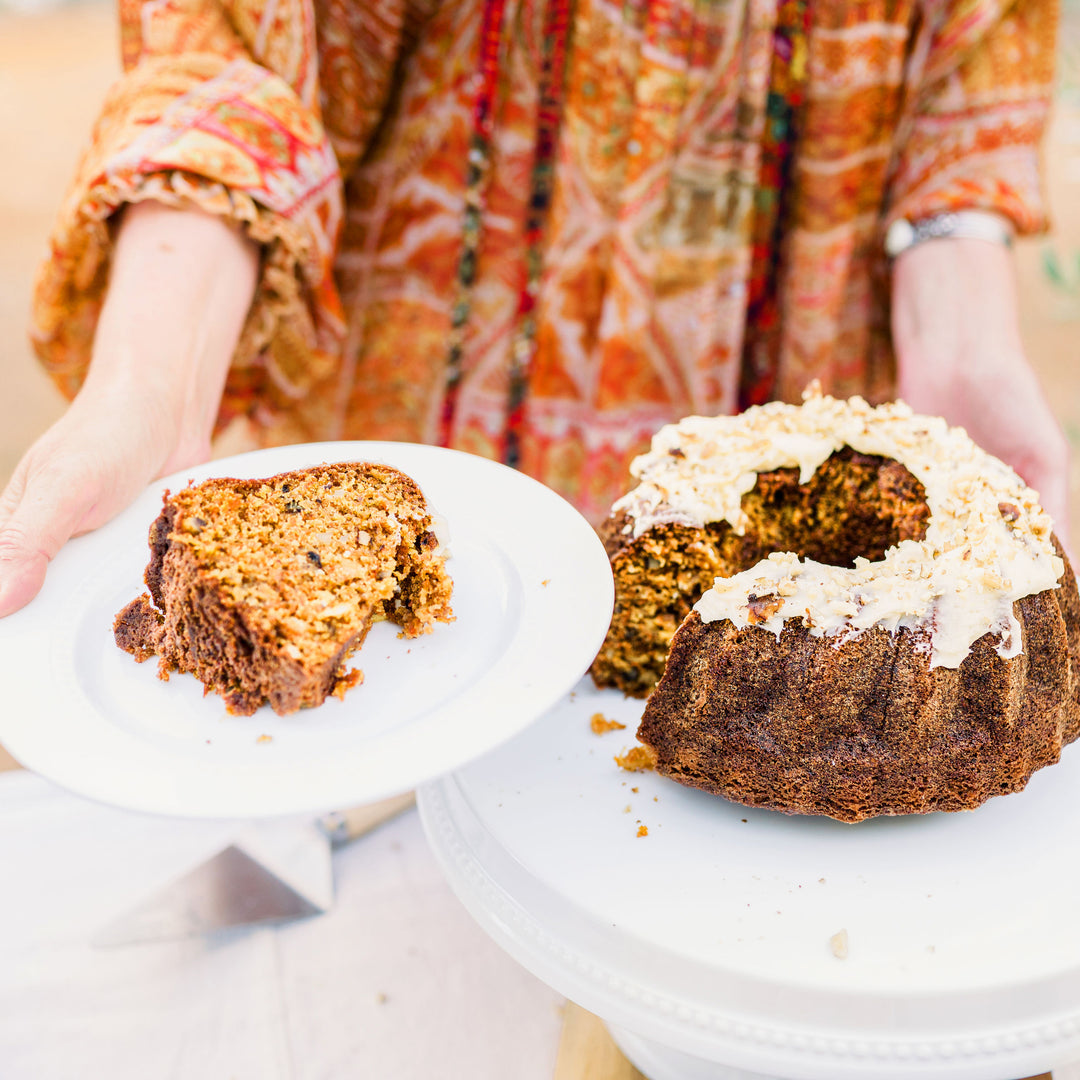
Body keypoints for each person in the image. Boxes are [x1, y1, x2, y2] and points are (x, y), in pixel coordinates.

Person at [0, 0, 1069, 619]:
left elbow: (970, 73)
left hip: (794, 441)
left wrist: (962, 343)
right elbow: (238, 42)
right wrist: (151, 383)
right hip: (410, 444)